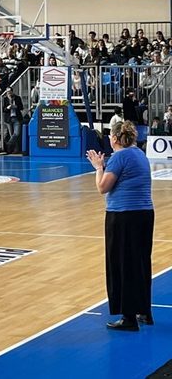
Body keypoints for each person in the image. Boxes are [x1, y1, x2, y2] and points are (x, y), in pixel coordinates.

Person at [86, 121, 154, 331]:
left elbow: (102, 187)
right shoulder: (140, 154)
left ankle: (128, 317)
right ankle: (144, 311)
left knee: (122, 265)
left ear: (114, 138)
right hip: (144, 213)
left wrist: (99, 167)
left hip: (123, 216)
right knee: (141, 262)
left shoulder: (119, 157)